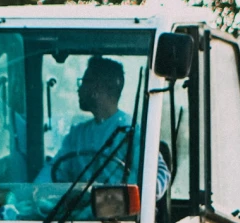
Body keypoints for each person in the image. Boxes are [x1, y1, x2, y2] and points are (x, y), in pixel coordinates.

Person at [36, 56, 169, 199]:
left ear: (99, 88)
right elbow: (54, 169)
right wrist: (36, 190)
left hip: (117, 217)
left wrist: (131, 197)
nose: (79, 89)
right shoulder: (78, 134)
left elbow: (160, 174)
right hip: (75, 216)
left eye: (85, 82)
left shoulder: (130, 132)